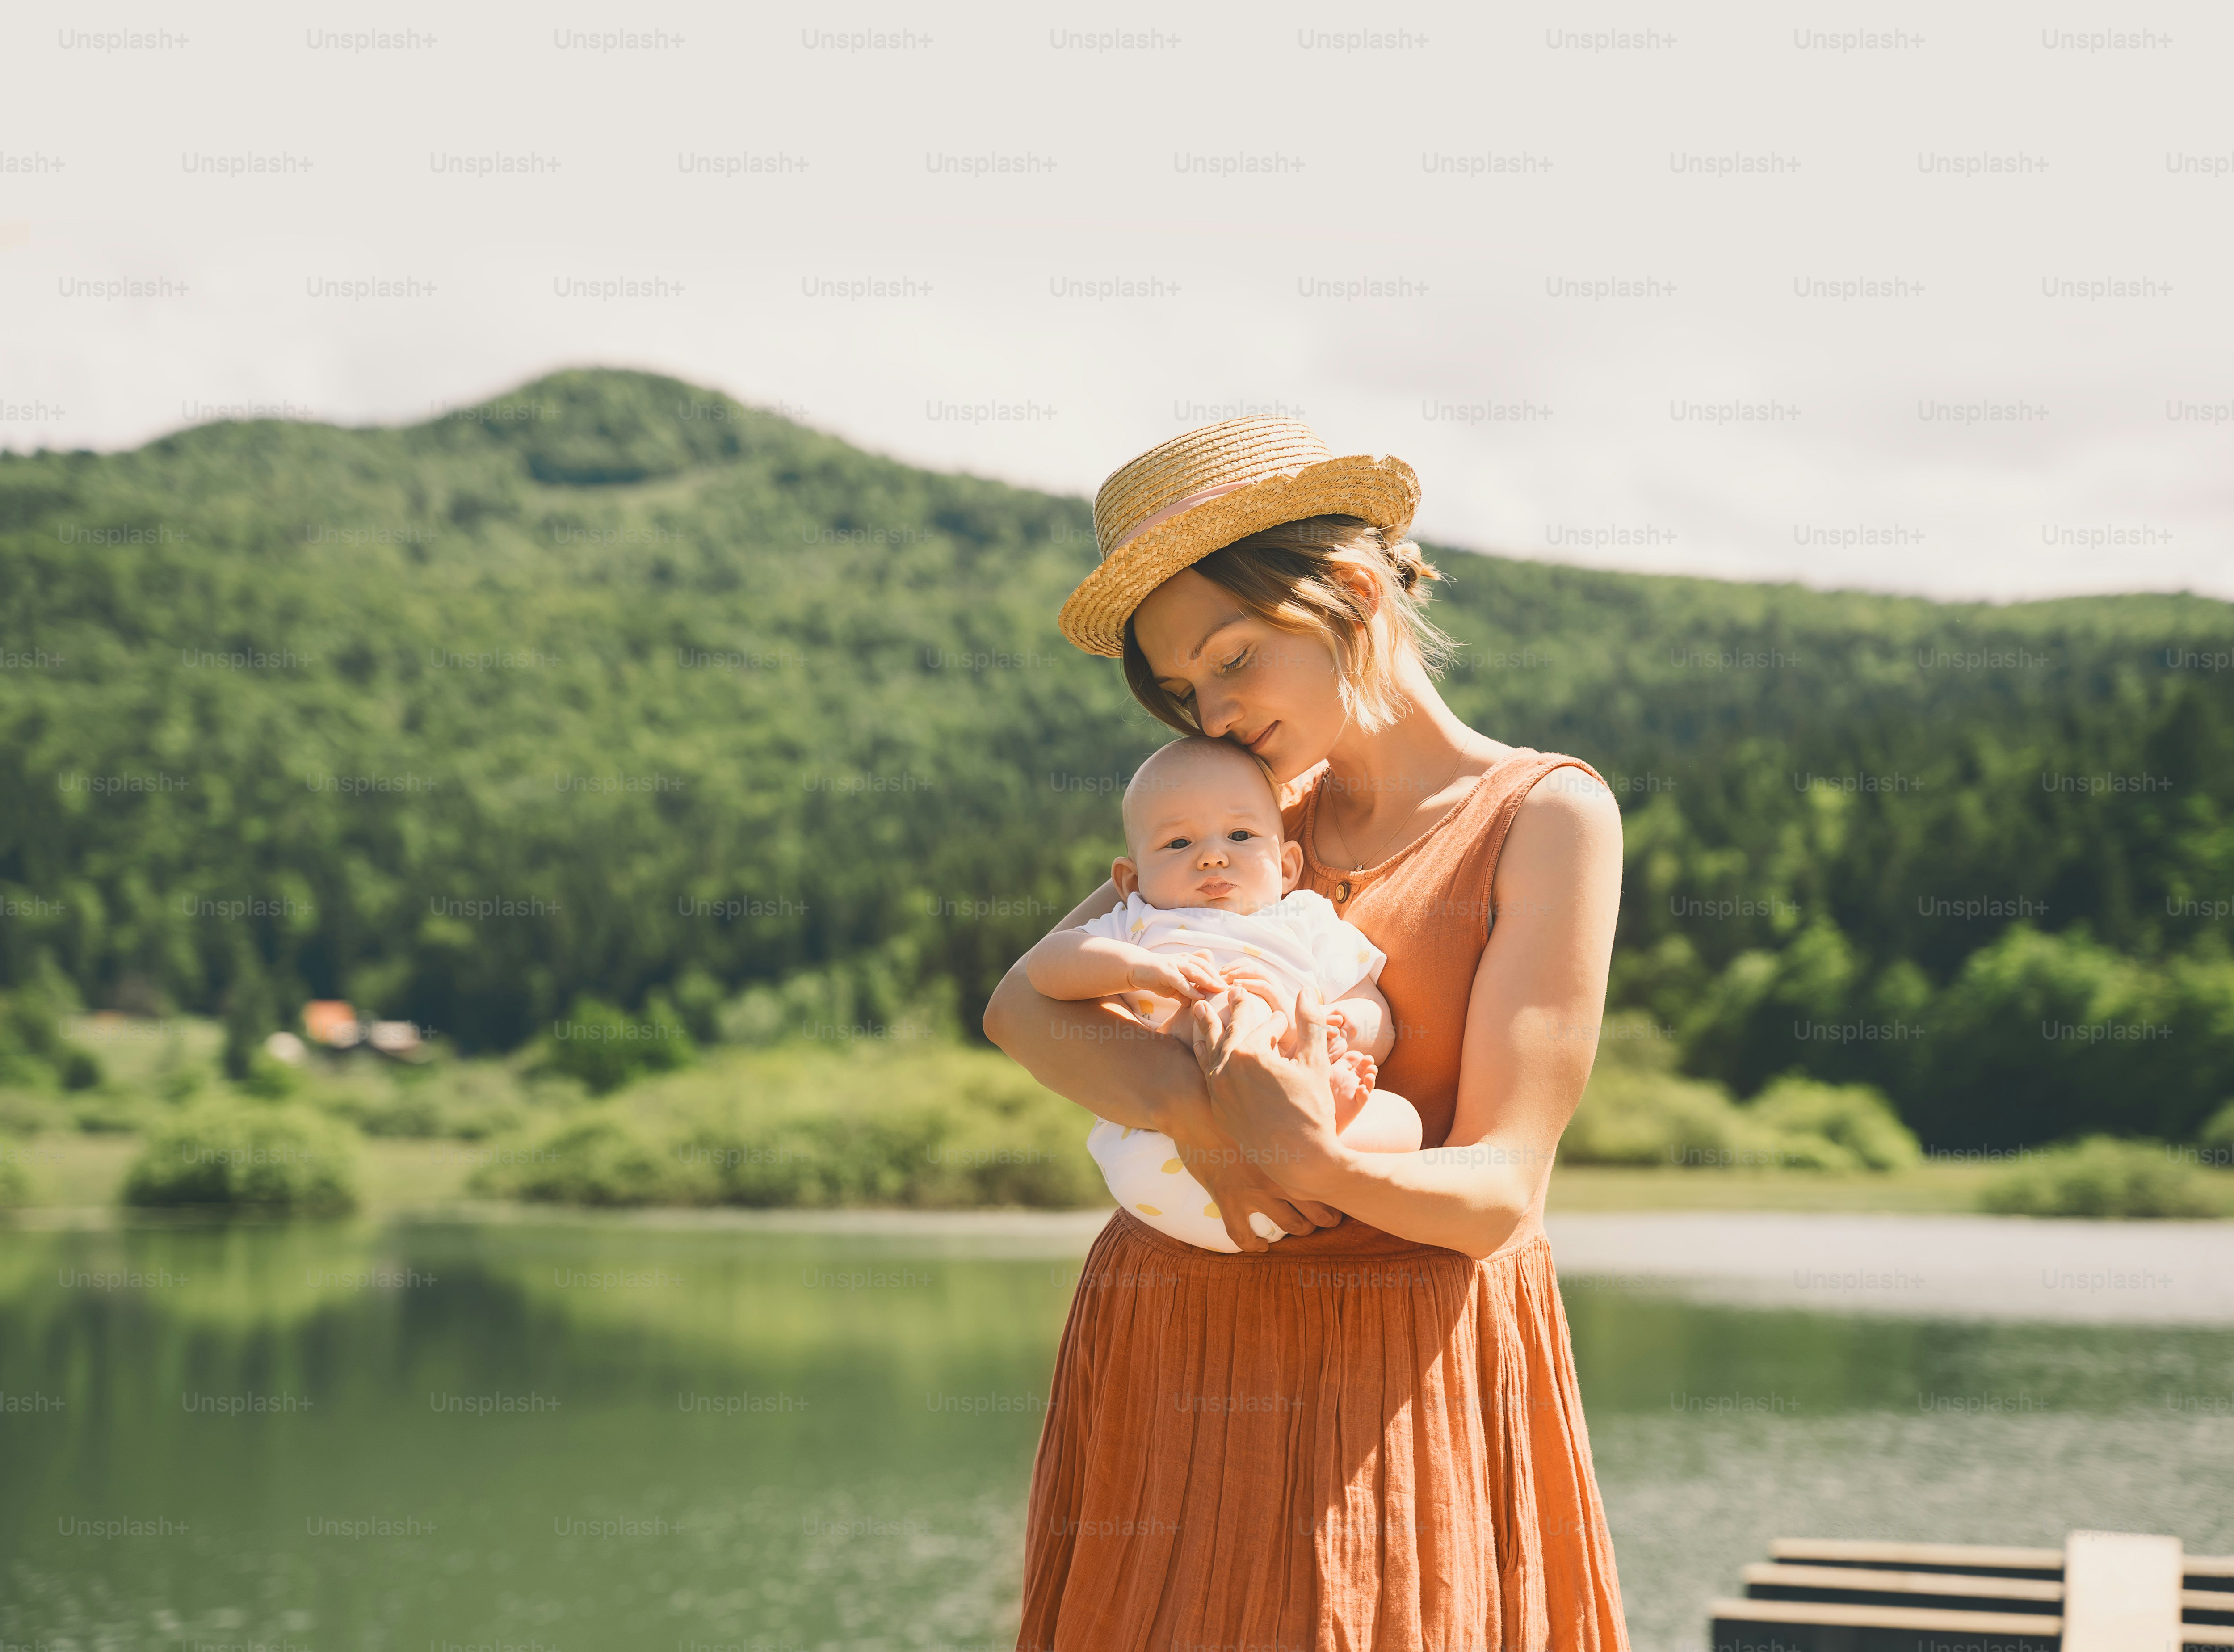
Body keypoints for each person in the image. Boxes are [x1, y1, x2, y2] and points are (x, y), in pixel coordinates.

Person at [983, 415, 1633, 1649]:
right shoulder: (1243, 809)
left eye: (1232, 659)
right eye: (1184, 692)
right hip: (1175, 1342)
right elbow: (1022, 1007)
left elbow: (1503, 1191)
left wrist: (1311, 1161)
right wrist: (1208, 1118)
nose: (1213, 716)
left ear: (1347, 590)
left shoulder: (1545, 814)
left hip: (1395, 1375)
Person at [1020, 733, 1422, 1251]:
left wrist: (1335, 1027)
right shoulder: (1139, 924)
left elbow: (1374, 1011)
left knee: (1403, 1123)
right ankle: (1299, 1126)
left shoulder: (1303, 919)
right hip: (1167, 1158)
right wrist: (1136, 970)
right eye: (1178, 843)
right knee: (1199, 1024)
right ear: (1130, 879)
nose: (1212, 857)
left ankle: (1317, 1125)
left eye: (1238, 835)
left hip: (1290, 1129)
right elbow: (1046, 967)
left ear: (1285, 868)